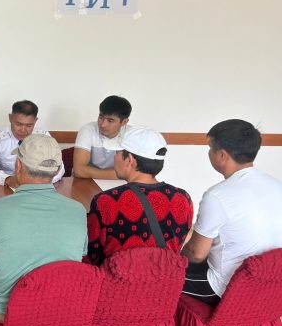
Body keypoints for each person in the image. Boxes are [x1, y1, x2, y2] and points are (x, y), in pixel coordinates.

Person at [0, 134, 87, 322]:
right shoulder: (78, 210)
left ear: (18, 166)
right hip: (59, 307)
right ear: (57, 170)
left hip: (7, 312)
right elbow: (77, 258)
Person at [181, 119, 282, 306]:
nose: (208, 153)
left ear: (222, 155)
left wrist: (178, 252)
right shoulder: (277, 185)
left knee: (163, 277)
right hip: (273, 283)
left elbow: (196, 254)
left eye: (210, 148)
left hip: (227, 288)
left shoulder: (217, 195)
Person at [85, 126, 193, 266]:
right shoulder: (183, 197)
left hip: (117, 278)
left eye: (117, 153)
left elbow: (91, 255)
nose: (114, 157)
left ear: (129, 160)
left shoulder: (106, 201)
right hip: (167, 277)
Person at [0, 100, 64, 190]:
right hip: (9, 187)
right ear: (10, 118)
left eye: (29, 126)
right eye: (18, 124)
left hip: (39, 187)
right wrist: (7, 179)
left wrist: (37, 182)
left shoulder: (43, 138)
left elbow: (59, 168)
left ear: (35, 121)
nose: (23, 130)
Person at [74, 95, 132, 180]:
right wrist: (118, 174)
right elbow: (79, 170)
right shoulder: (87, 130)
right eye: (101, 117)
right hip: (88, 181)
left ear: (124, 122)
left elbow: (134, 172)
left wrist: (90, 172)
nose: (103, 124)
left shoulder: (132, 135)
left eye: (110, 120)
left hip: (118, 183)